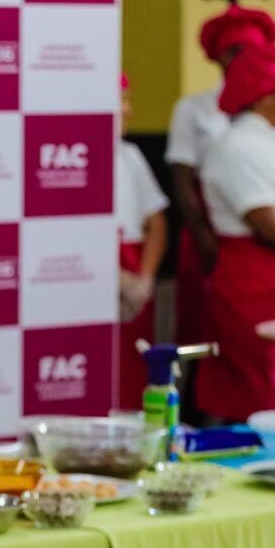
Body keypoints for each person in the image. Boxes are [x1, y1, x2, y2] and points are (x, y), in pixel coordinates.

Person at [197, 42, 275, 422]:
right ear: (266, 96)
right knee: (261, 392)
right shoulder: (235, 148)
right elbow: (266, 224)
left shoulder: (272, 144)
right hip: (256, 289)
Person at [166, 4, 275, 347]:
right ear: (219, 58)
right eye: (232, 51)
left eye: (249, 50)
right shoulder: (193, 108)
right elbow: (182, 176)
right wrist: (203, 234)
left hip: (265, 229)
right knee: (201, 322)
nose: (240, 57)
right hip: (211, 224)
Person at [116, 73, 169, 408]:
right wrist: (114, 277)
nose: (127, 109)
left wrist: (145, 278)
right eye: (120, 100)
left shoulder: (129, 155)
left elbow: (156, 221)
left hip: (135, 271)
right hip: (94, 275)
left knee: (133, 370)